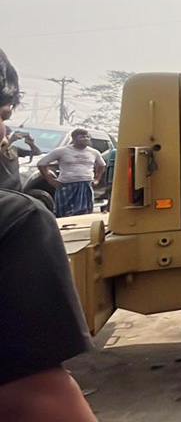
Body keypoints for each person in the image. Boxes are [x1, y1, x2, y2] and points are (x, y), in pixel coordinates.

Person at [0, 48, 98, 422]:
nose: (5, 131)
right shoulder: (18, 222)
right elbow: (36, 396)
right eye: (2, 116)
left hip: (82, 187)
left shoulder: (89, 156)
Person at [37, 128, 105, 218]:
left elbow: (101, 165)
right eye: (82, 137)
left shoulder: (94, 152)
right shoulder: (61, 151)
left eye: (87, 137)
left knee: (84, 213)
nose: (85, 139)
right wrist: (50, 180)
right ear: (73, 139)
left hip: (86, 185)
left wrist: (97, 179)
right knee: (63, 213)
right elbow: (41, 164)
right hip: (66, 185)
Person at [1, 106, 41, 193]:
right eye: (5, 134)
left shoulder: (14, 149)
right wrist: (11, 141)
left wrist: (31, 144)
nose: (6, 137)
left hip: (15, 187)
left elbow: (37, 153)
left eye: (8, 134)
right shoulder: (5, 147)